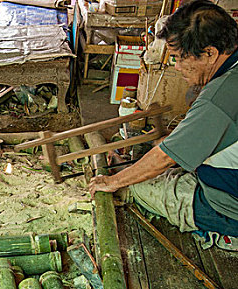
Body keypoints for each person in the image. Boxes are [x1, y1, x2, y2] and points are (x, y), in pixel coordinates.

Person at [88, 0, 238, 249]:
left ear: (210, 53)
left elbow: (164, 159)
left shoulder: (219, 97)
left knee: (139, 188)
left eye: (180, 58)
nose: (177, 67)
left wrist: (114, 182)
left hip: (229, 207)